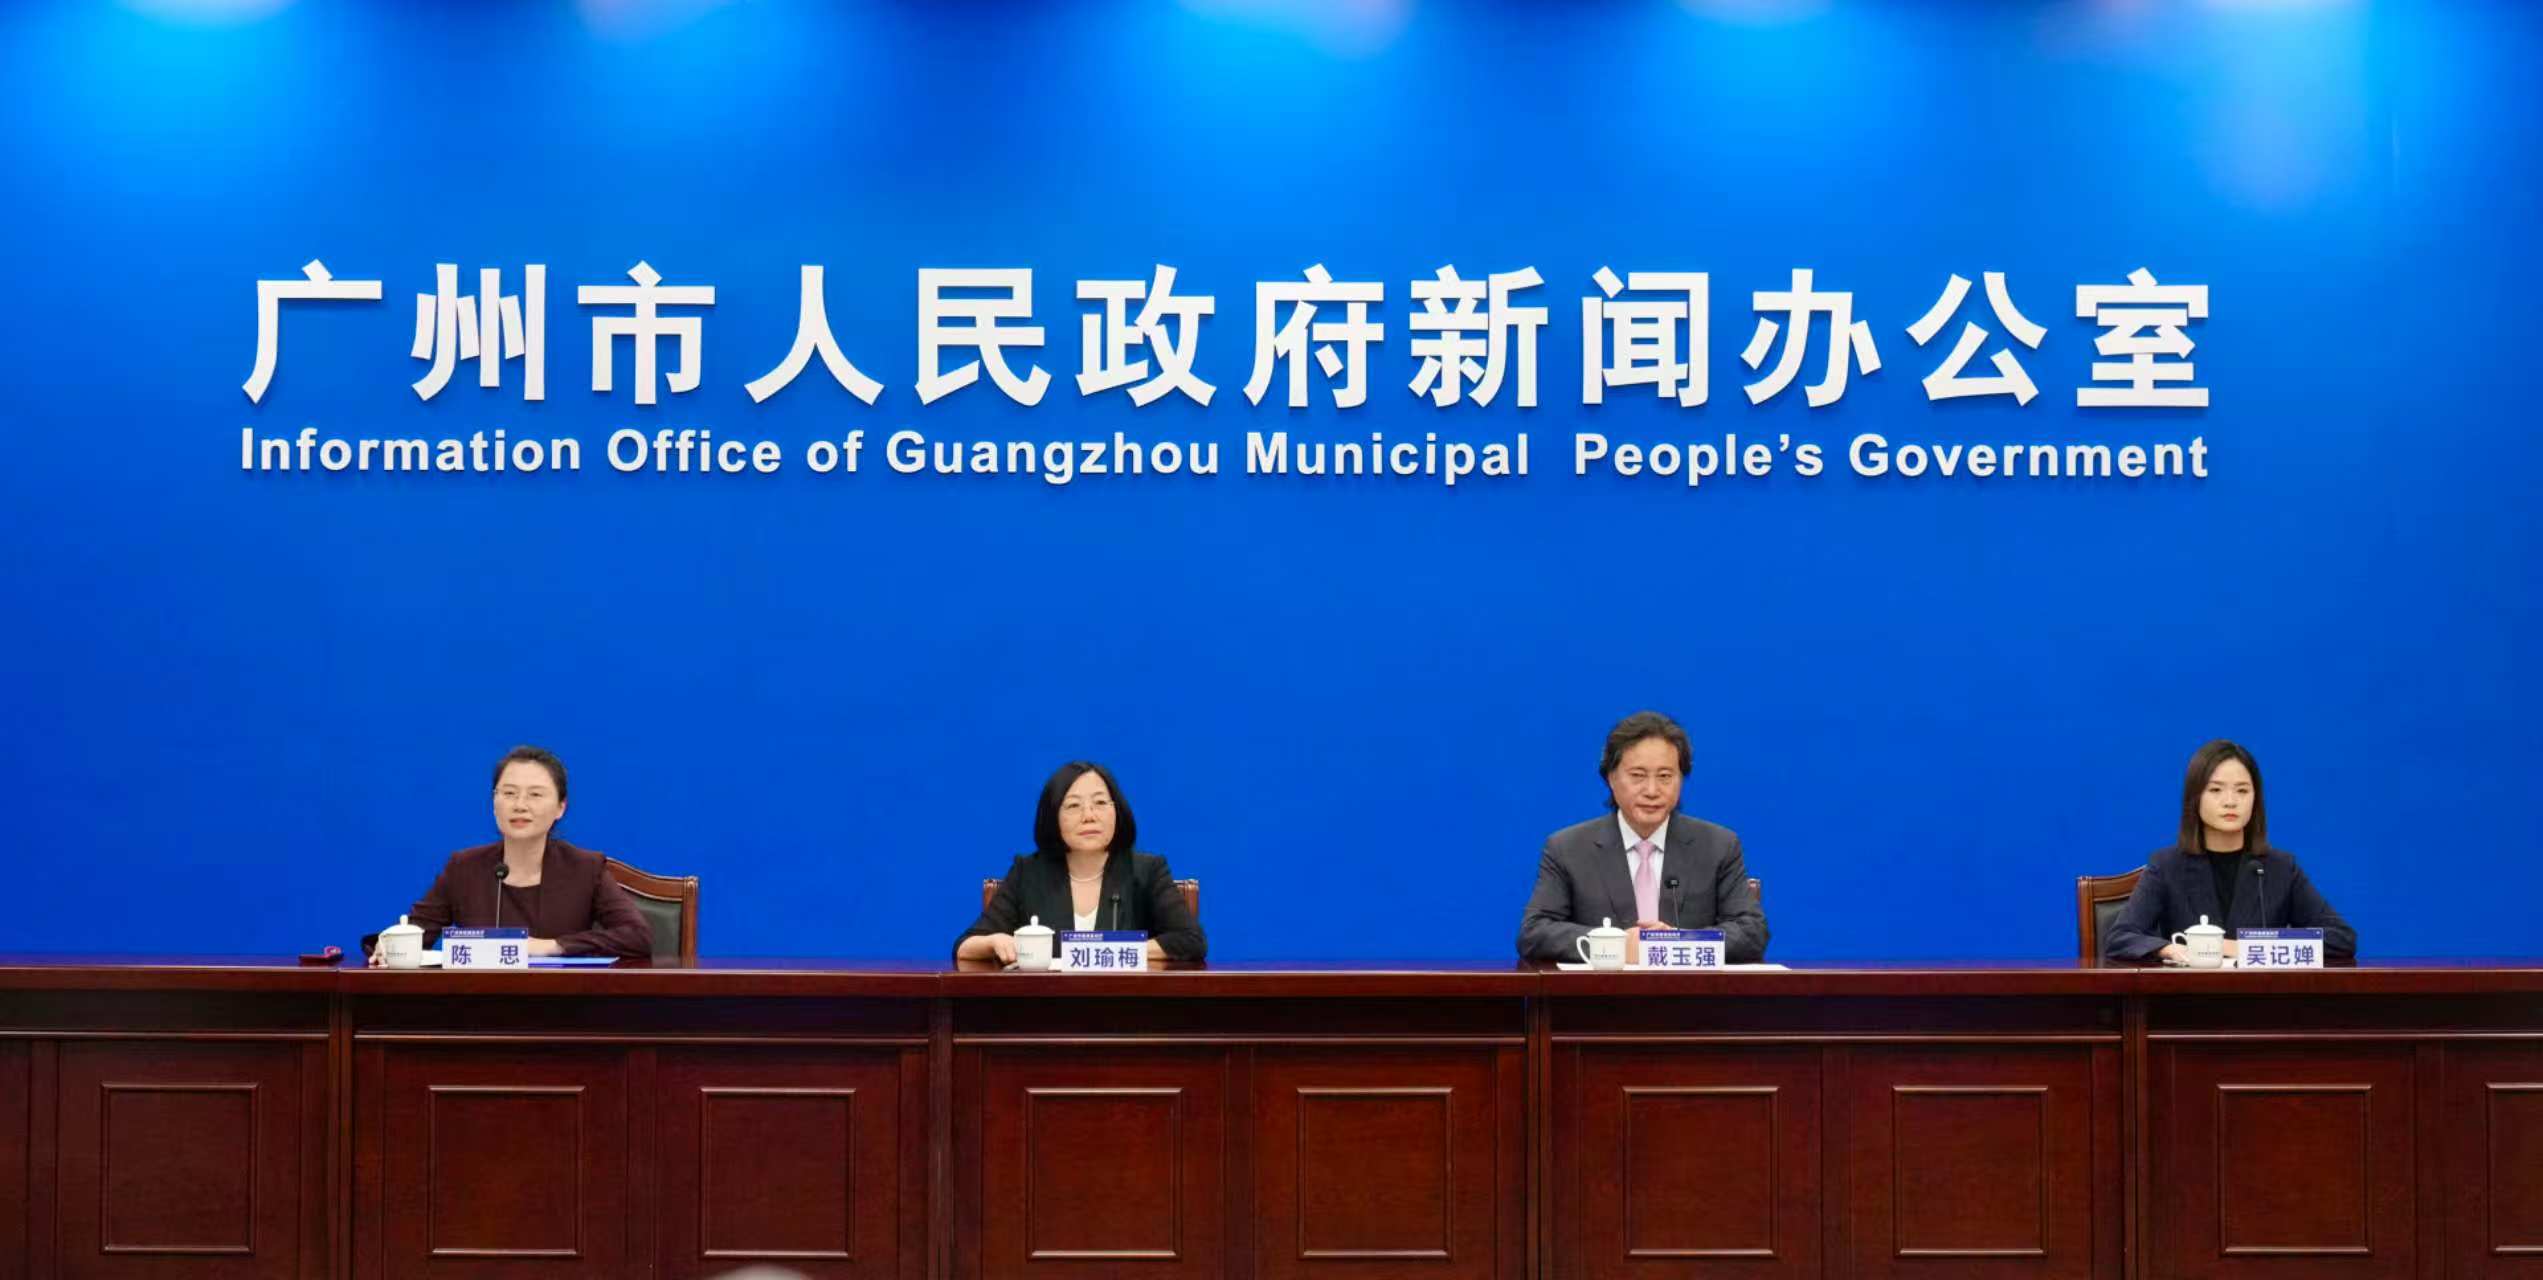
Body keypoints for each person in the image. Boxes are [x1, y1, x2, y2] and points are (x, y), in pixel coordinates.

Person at [1518, 711, 1768, 963]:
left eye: (1665, 776)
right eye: (1637, 775)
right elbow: (1534, 933)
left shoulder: (1718, 846)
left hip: (1689, 988)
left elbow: (1751, 933)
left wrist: (1678, 943)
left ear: (1681, 779)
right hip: (1604, 988)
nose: (1652, 790)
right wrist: (1616, 945)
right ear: (1611, 778)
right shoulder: (1568, 848)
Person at [369, 745, 653, 963]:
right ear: (494, 803)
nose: (520, 805)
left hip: (561, 1008)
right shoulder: (464, 868)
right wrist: (388, 947)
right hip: (478, 1007)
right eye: (509, 793)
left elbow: (637, 937)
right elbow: (416, 932)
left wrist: (552, 946)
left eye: (535, 795)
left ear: (560, 808)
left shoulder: (584, 868)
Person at [2103, 739, 2356, 963]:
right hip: (2189, 997)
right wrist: (2169, 950)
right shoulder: (2167, 866)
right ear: (2195, 798)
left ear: (2255, 799)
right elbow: (2120, 937)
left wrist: (2244, 947)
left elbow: (2341, 938)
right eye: (2215, 790)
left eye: (2242, 790)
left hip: (2260, 997)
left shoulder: (2280, 867)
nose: (2230, 801)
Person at [955, 761, 1206, 964]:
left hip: (1125, 1005)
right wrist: (994, 941)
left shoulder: (1147, 871)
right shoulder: (1028, 872)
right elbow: (965, 946)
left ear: (1117, 811)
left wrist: (1108, 952)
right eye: (1074, 806)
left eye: (1100, 803)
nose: (1089, 816)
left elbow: (1191, 940)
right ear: (1053, 816)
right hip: (1046, 1004)